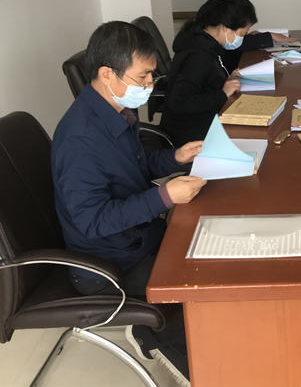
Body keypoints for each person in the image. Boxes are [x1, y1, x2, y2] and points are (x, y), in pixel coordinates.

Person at [52, 21, 206, 386]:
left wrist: (175, 158)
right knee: (200, 282)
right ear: (107, 74)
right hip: (109, 263)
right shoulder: (81, 140)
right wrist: (164, 196)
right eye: (143, 77)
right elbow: (92, 221)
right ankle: (159, 340)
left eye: (152, 75)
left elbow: (132, 167)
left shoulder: (114, 109)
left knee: (205, 244)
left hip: (138, 236)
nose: (151, 84)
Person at [160, 0, 258, 146]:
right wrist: (222, 94)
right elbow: (179, 102)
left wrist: (224, 80)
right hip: (190, 133)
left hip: (201, 120)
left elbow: (203, 81)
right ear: (225, 27)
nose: (242, 39)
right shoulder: (199, 56)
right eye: (242, 34)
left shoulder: (202, 40)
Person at [184, 0, 295, 70]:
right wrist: (268, 37)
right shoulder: (210, 11)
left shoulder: (221, 7)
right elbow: (227, 45)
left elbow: (229, 37)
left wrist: (244, 35)